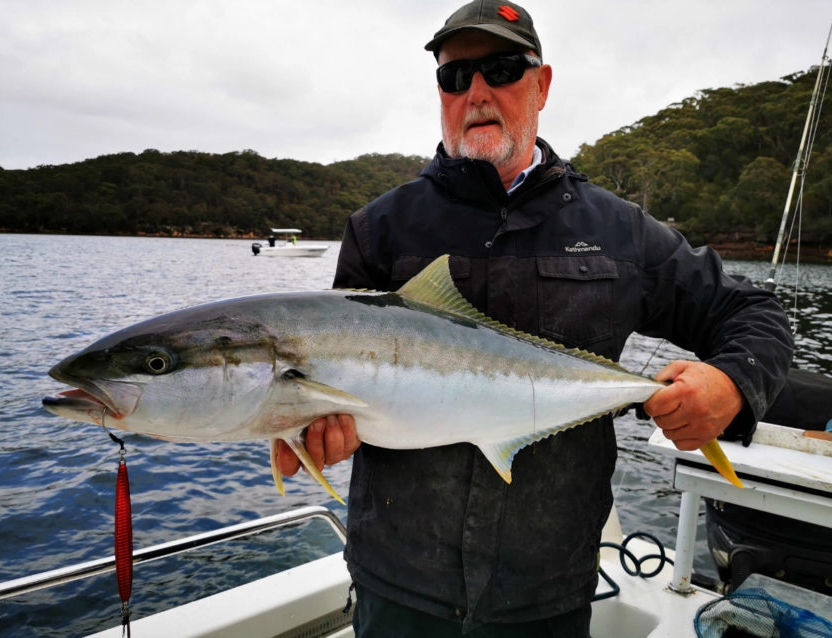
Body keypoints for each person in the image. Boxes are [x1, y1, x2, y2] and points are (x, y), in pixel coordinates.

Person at [274, 1, 794, 635]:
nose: (477, 92)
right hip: (398, 585)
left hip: (545, 593)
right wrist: (318, 430)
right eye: (455, 76)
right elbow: (339, 383)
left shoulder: (616, 231)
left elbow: (753, 310)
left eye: (501, 68)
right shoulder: (381, 229)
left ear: (541, 85)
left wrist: (734, 385)